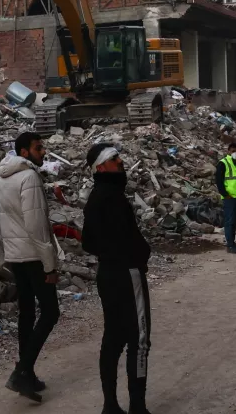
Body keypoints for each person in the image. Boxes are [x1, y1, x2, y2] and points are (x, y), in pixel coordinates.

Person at [82, 143, 153, 414]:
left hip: (108, 275)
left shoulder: (95, 198)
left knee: (113, 337)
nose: (120, 161)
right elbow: (127, 238)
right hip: (128, 274)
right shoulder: (112, 197)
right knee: (140, 338)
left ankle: (110, 405)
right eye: (114, 158)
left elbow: (88, 241)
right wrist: (137, 254)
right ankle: (138, 406)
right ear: (101, 167)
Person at [0, 132, 60, 403]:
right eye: (38, 147)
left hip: (14, 254)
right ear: (24, 152)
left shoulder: (2, 177)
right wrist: (50, 265)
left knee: (26, 314)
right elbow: (36, 226)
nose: (43, 151)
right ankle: (22, 371)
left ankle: (28, 373)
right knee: (50, 312)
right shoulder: (30, 177)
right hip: (33, 256)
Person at [215, 142, 236, 254]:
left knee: (234, 221)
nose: (235, 153)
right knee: (229, 221)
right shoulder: (223, 163)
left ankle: (233, 243)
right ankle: (230, 245)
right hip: (229, 197)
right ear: (228, 151)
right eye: (233, 151)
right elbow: (218, 181)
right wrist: (224, 194)